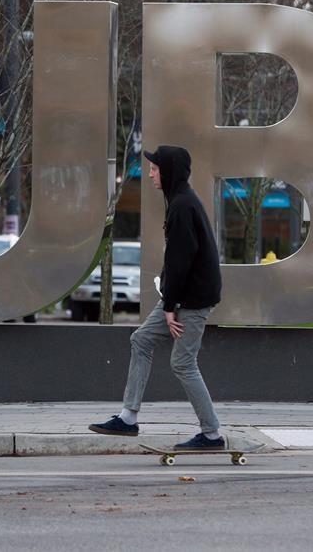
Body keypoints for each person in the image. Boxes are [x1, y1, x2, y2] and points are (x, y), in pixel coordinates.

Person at [89, 145, 225, 450]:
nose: (149, 173)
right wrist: (169, 301)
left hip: (192, 300)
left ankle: (212, 434)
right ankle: (128, 418)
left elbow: (182, 261)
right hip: (181, 296)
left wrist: (169, 306)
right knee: (141, 339)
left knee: (183, 363)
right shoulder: (179, 201)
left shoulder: (182, 205)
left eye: (154, 168)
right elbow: (178, 261)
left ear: (169, 171)